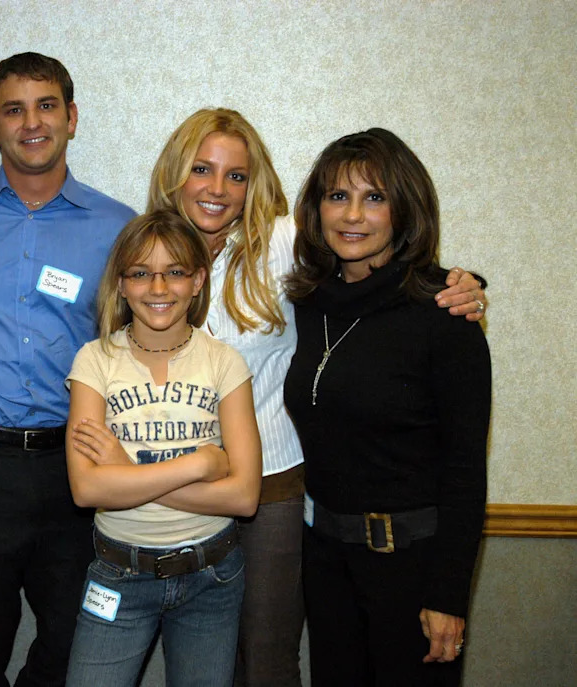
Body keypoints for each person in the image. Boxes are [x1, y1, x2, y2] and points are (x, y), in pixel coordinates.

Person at [145, 108, 488, 687]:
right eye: (201, 168)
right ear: (174, 173)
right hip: (183, 489)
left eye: (237, 175)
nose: (217, 188)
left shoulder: (283, 246)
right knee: (202, 663)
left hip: (281, 489)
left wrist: (463, 283)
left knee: (268, 659)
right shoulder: (144, 251)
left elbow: (388, 267)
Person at [0, 52, 135, 686]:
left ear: (71, 117)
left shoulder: (117, 226)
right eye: (14, 109)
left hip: (74, 464)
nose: (31, 123)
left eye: (46, 106)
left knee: (80, 634)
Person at [283, 128, 490, 686]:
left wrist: (449, 593)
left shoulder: (444, 314)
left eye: (374, 197)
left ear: (405, 208)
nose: (353, 215)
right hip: (325, 561)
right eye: (337, 196)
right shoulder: (307, 303)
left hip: (412, 567)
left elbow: (466, 468)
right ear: (316, 209)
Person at [64, 209, 262, 687]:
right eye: (141, 273)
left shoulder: (223, 362)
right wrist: (199, 464)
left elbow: (243, 497)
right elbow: (88, 489)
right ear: (122, 284)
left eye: (175, 272)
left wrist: (126, 471)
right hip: (119, 574)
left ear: (197, 281)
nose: (158, 288)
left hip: (211, 576)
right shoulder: (94, 361)